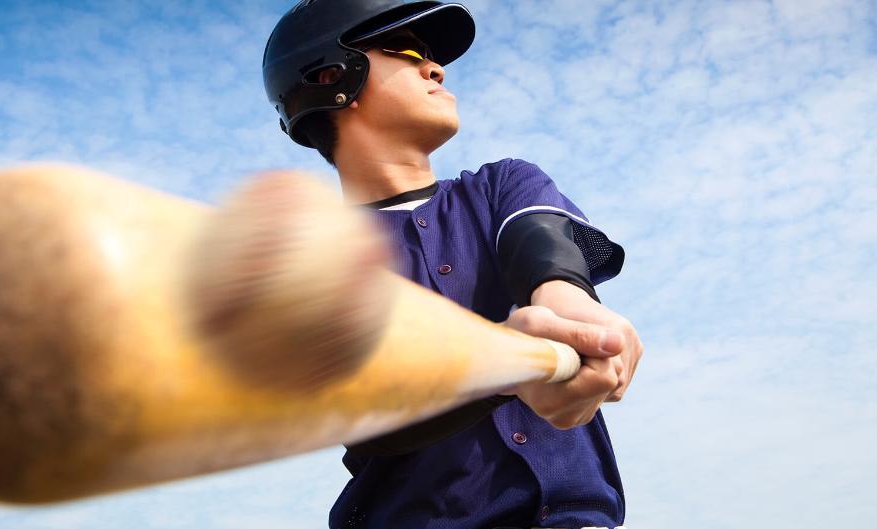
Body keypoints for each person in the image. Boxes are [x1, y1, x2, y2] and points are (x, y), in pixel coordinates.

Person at [262, 1, 643, 528]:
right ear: (330, 77)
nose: (436, 67)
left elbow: (543, 245)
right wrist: (499, 366)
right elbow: (362, 405)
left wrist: (571, 310)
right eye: (406, 49)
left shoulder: (501, 185)